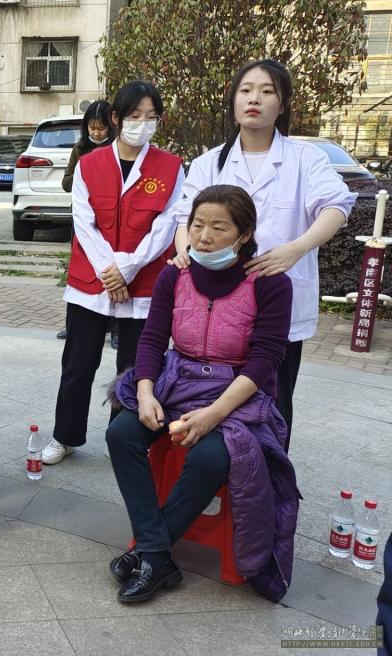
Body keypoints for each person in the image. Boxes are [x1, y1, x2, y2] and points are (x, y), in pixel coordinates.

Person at [107, 185, 298, 604]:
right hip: (177, 381)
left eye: (218, 227)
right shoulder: (175, 275)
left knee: (211, 456)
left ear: (244, 234)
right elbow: (152, 339)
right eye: (197, 225)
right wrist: (145, 392)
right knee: (121, 433)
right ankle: (156, 553)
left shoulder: (270, 284)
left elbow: (266, 359)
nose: (205, 237)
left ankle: (149, 552)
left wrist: (214, 414)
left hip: (237, 393)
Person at [173, 59, 356, 450]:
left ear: (283, 104)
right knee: (208, 399)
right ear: (234, 101)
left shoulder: (305, 159)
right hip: (217, 304)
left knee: (273, 403)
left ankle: (270, 478)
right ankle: (215, 481)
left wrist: (296, 249)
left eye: (267, 91)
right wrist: (185, 256)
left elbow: (337, 206)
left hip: (276, 300)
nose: (254, 98)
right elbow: (183, 220)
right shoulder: (209, 164)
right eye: (245, 90)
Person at [43, 80, 185, 466]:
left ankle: (122, 439)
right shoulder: (89, 164)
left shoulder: (170, 167)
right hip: (91, 282)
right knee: (78, 364)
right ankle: (65, 435)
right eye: (135, 116)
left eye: (152, 117)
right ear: (116, 118)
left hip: (143, 282)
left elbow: (167, 224)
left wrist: (128, 268)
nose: (143, 124)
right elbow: (84, 222)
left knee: (135, 367)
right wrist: (112, 271)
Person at [58, 100, 118, 344]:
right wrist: (86, 169)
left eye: (101, 128)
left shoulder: (118, 148)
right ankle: (75, 325)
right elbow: (66, 183)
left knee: (111, 269)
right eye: (92, 128)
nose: (97, 133)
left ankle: (115, 328)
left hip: (110, 217)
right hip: (83, 218)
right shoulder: (80, 148)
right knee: (82, 270)